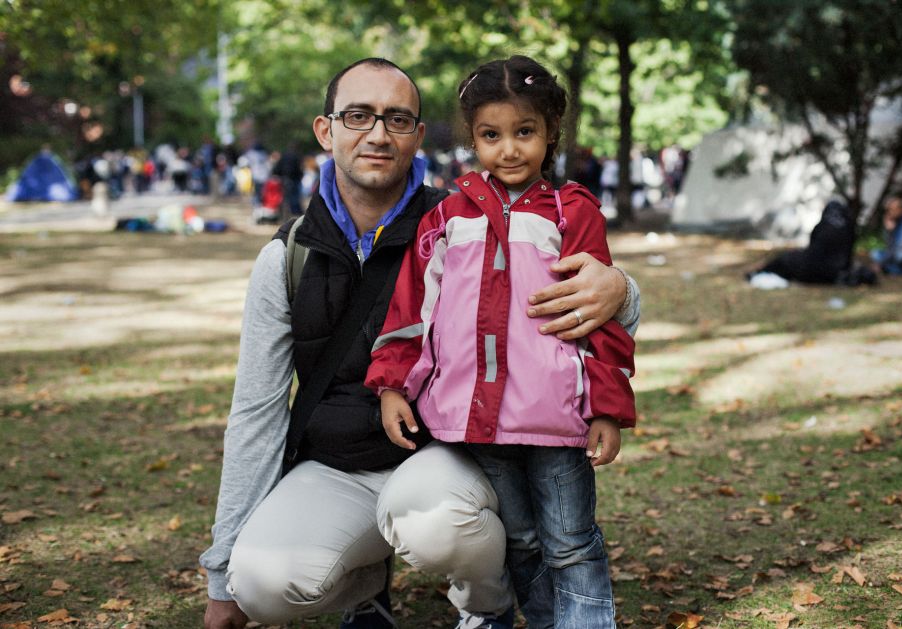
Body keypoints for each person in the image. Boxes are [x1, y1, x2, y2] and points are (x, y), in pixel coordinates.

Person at [200, 57, 641, 629]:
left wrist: (622, 288)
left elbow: (593, 304)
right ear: (325, 131)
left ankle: (485, 606)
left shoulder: (465, 215)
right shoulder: (288, 257)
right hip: (338, 464)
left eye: (398, 119)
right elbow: (255, 413)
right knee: (260, 582)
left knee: (451, 524)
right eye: (358, 116)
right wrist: (221, 572)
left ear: (417, 135)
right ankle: (365, 583)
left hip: (447, 450)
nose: (378, 133)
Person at [366, 55, 636, 628]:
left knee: (570, 542)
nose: (508, 149)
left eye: (524, 132)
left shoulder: (572, 211)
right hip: (479, 420)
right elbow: (414, 308)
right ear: (472, 138)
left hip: (557, 420)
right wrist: (392, 382)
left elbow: (601, 319)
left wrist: (607, 408)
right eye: (491, 135)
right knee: (522, 542)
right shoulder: (447, 217)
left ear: (550, 134)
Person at [747, 201, 857, 284]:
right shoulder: (849, 227)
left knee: (786, 259)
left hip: (814, 271)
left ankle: (758, 273)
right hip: (836, 274)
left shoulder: (821, 226)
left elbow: (813, 251)